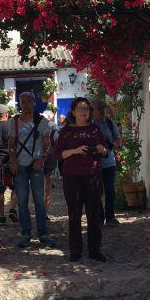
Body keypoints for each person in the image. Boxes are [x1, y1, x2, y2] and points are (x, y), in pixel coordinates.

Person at [55, 97, 109, 262]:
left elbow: (106, 151)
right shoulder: (66, 131)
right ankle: (75, 251)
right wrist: (75, 150)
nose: (84, 111)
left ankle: (95, 249)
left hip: (93, 175)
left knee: (94, 214)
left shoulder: (95, 129)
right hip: (72, 177)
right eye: (80, 108)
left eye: (86, 108)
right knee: (75, 214)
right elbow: (59, 154)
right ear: (73, 111)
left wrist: (102, 149)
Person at [9, 92, 54, 247]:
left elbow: (47, 144)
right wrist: (13, 160)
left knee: (39, 201)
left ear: (34, 103)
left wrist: (41, 159)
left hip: (36, 166)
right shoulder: (14, 121)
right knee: (22, 201)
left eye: (29, 101)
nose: (26, 104)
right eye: (23, 102)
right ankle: (26, 233)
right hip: (20, 166)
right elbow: (11, 144)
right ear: (20, 103)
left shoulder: (42, 121)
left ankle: (42, 233)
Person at [92, 100, 122, 226]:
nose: (100, 112)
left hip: (109, 162)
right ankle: (99, 217)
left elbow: (118, 139)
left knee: (110, 190)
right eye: (97, 109)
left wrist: (110, 146)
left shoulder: (109, 123)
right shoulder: (89, 125)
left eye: (99, 109)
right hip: (94, 163)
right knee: (97, 191)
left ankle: (110, 217)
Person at [0, 103, 18, 224]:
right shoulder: (11, 125)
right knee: (15, 187)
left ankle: (1, 216)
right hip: (11, 159)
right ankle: (13, 209)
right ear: (7, 114)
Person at [42, 110, 58, 214]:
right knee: (47, 188)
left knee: (38, 187)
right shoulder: (54, 127)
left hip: (38, 158)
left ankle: (40, 210)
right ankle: (45, 212)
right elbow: (58, 141)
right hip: (50, 159)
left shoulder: (38, 125)